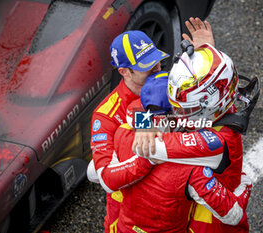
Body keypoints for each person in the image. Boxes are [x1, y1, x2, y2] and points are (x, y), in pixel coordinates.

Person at [88, 18, 216, 232]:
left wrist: (207, 55)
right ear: (124, 72)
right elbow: (107, 180)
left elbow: (215, 94)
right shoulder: (105, 116)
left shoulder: (173, 81)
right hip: (132, 216)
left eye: (156, 59)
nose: (157, 68)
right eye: (147, 66)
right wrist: (150, 155)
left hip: (179, 201)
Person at [108, 45, 253, 232]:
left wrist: (145, 124)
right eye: (174, 106)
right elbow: (234, 214)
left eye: (186, 109)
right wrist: (245, 184)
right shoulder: (193, 166)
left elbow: (100, 175)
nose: (179, 115)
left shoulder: (124, 133)